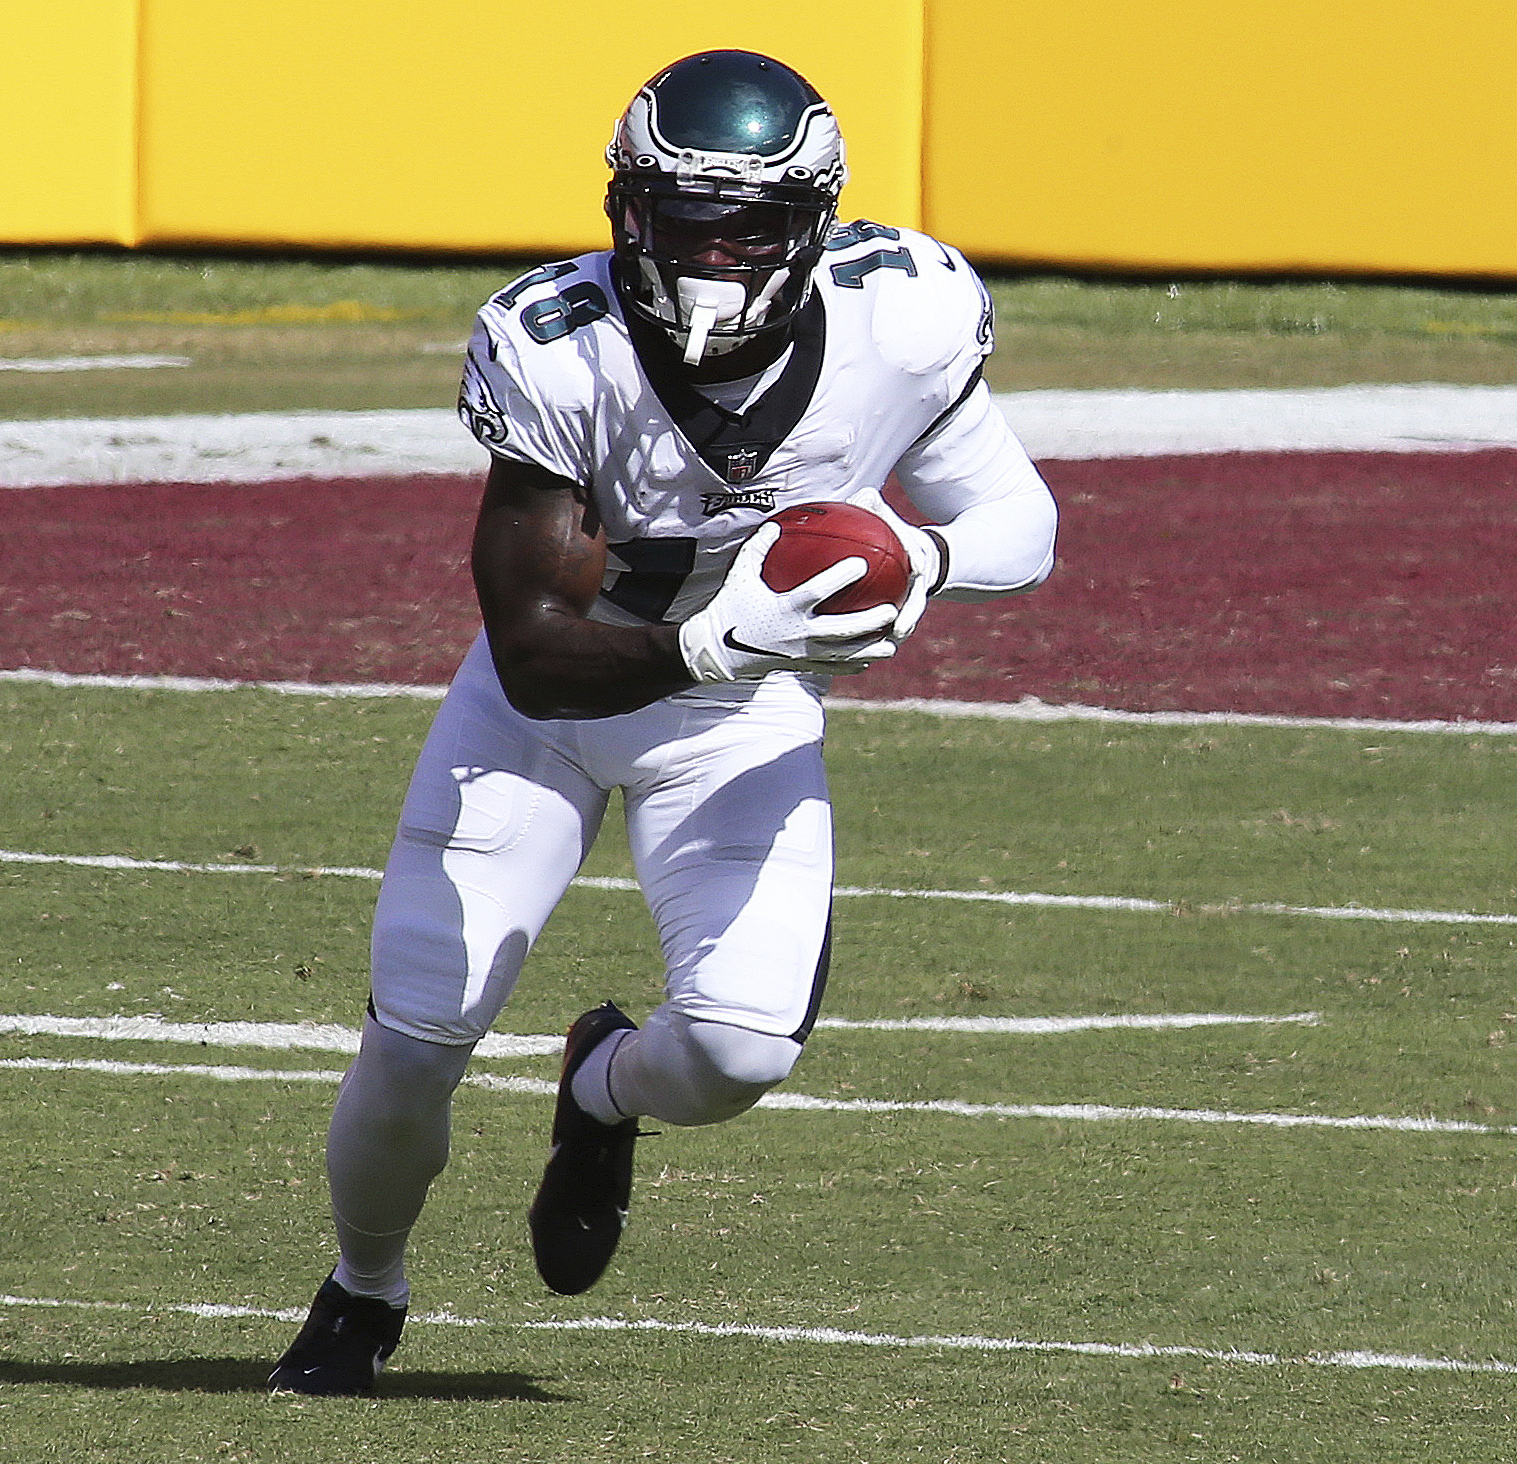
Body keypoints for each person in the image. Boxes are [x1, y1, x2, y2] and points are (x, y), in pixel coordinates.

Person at [267, 48, 1058, 1395]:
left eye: (747, 224)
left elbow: (1017, 521)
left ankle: (601, 1091)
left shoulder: (902, 316)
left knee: (742, 1047)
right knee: (415, 1041)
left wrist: (914, 563)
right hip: (552, 716)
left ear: (813, 227)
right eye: (683, 218)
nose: (710, 255)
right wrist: (707, 638)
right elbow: (530, 656)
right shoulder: (555, 346)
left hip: (735, 721)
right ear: (627, 210)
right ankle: (365, 1287)